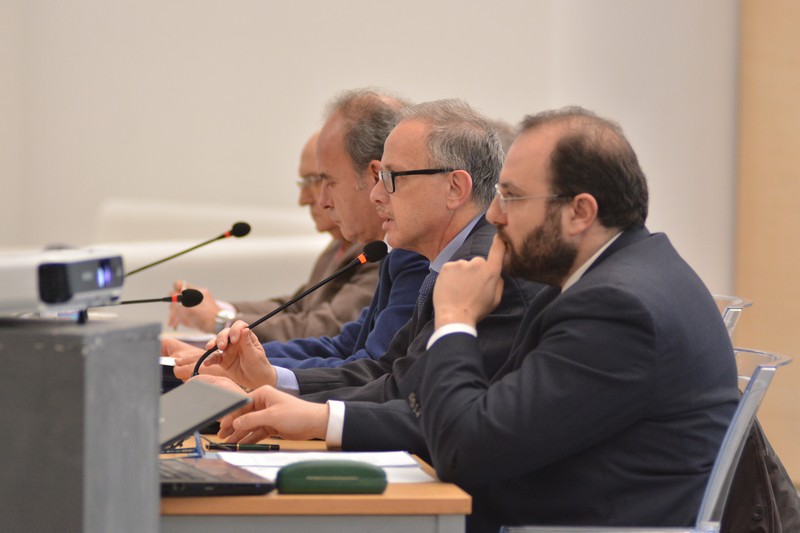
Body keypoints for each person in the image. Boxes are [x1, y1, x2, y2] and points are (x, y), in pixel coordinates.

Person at [400, 107, 741, 531]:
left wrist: (456, 318)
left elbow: (464, 451)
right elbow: (478, 416)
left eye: (511, 197)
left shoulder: (617, 308)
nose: (493, 216)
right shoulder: (605, 280)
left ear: (580, 212)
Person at [186, 99, 543, 456]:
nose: (376, 194)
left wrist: (313, 415)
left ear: (454, 188)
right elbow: (387, 371)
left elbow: (415, 400)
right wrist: (273, 381)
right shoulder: (448, 259)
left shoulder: (484, 269)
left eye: (391, 178)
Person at [165, 88, 430, 374]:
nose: (317, 200)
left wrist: (226, 331)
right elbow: (333, 337)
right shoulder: (376, 250)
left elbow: (363, 363)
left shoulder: (410, 254)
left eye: (325, 181)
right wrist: (226, 353)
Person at [165, 131, 380, 342]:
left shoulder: (378, 251)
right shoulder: (339, 245)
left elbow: (325, 330)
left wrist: (221, 321)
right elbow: (296, 306)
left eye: (317, 180)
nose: (304, 200)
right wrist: (217, 309)